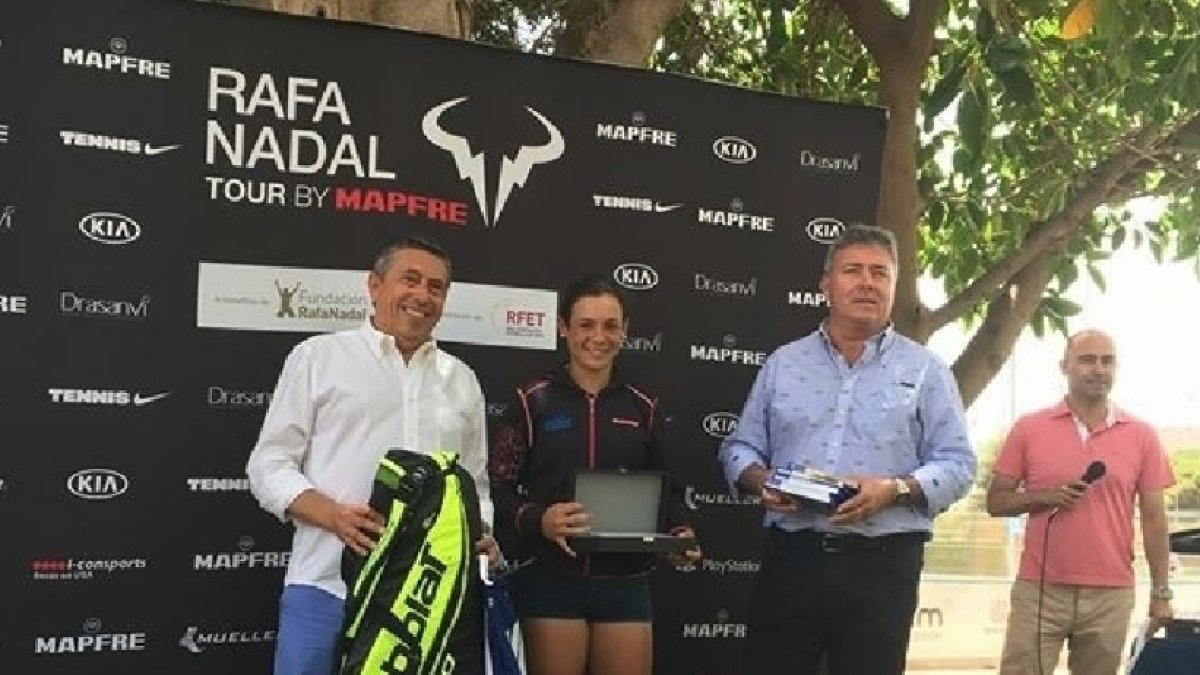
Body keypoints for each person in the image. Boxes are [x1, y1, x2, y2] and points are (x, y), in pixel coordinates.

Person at [718, 223, 977, 675]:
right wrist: (762, 482)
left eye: (880, 273)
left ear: (894, 288)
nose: (866, 282)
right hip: (792, 559)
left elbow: (958, 464)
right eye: (852, 270)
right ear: (826, 285)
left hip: (881, 567)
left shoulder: (926, 371)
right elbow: (739, 448)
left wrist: (894, 489)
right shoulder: (783, 363)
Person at [246, 236, 496, 675]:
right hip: (326, 587)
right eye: (410, 280)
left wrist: (481, 532)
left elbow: (474, 484)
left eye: (436, 287)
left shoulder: (462, 379)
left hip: (424, 609)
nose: (422, 295)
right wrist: (332, 515)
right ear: (375, 286)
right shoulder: (318, 357)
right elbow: (268, 465)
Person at [487, 274, 701, 675]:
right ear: (563, 328)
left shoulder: (644, 406)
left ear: (625, 332)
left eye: (610, 326)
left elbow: (669, 491)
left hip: (626, 583)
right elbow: (497, 488)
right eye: (585, 325)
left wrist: (681, 534)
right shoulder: (532, 399)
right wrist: (540, 520)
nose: (598, 337)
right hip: (550, 578)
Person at [987, 329, 1175, 674]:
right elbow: (996, 501)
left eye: (1107, 361)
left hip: (1111, 595)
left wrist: (1161, 591)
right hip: (1039, 591)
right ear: (1065, 367)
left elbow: (1154, 520)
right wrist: (1045, 497)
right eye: (1087, 360)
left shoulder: (1142, 434)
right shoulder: (1029, 428)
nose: (1098, 369)